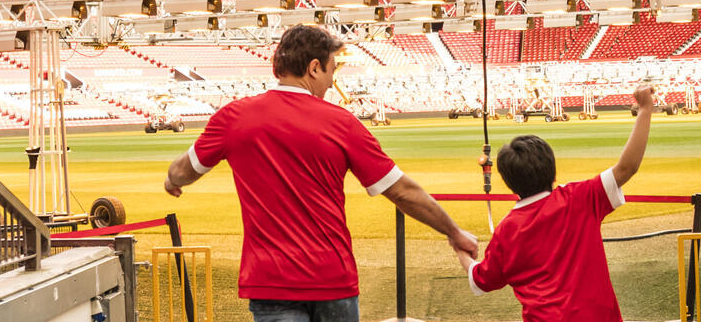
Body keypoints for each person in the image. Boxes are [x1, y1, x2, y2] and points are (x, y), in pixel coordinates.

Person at [163, 25, 478, 322]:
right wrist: (454, 232)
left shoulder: (233, 117)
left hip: (270, 281)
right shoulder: (342, 123)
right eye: (331, 70)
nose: (331, 82)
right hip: (332, 280)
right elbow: (402, 191)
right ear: (314, 68)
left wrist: (172, 181)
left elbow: (184, 170)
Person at [457, 83, 659, 322]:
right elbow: (627, 167)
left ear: (509, 181)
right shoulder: (579, 198)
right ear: (552, 172)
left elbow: (480, 279)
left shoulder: (507, 230)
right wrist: (645, 109)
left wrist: (460, 248)